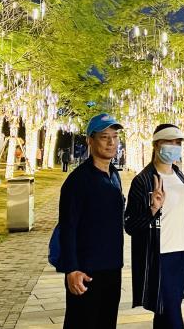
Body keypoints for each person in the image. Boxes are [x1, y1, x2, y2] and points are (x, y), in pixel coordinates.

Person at [125, 124, 184, 329]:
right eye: (169, 142)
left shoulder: (179, 175)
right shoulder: (143, 181)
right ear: (156, 145)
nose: (174, 146)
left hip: (182, 253)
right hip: (160, 255)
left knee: (166, 312)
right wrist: (152, 210)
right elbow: (130, 225)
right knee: (173, 315)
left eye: (178, 142)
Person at [58, 113, 125, 329]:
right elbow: (68, 228)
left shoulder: (114, 175)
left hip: (112, 268)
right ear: (90, 140)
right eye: (104, 137)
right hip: (86, 272)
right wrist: (71, 269)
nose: (111, 142)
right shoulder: (78, 180)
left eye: (115, 137)